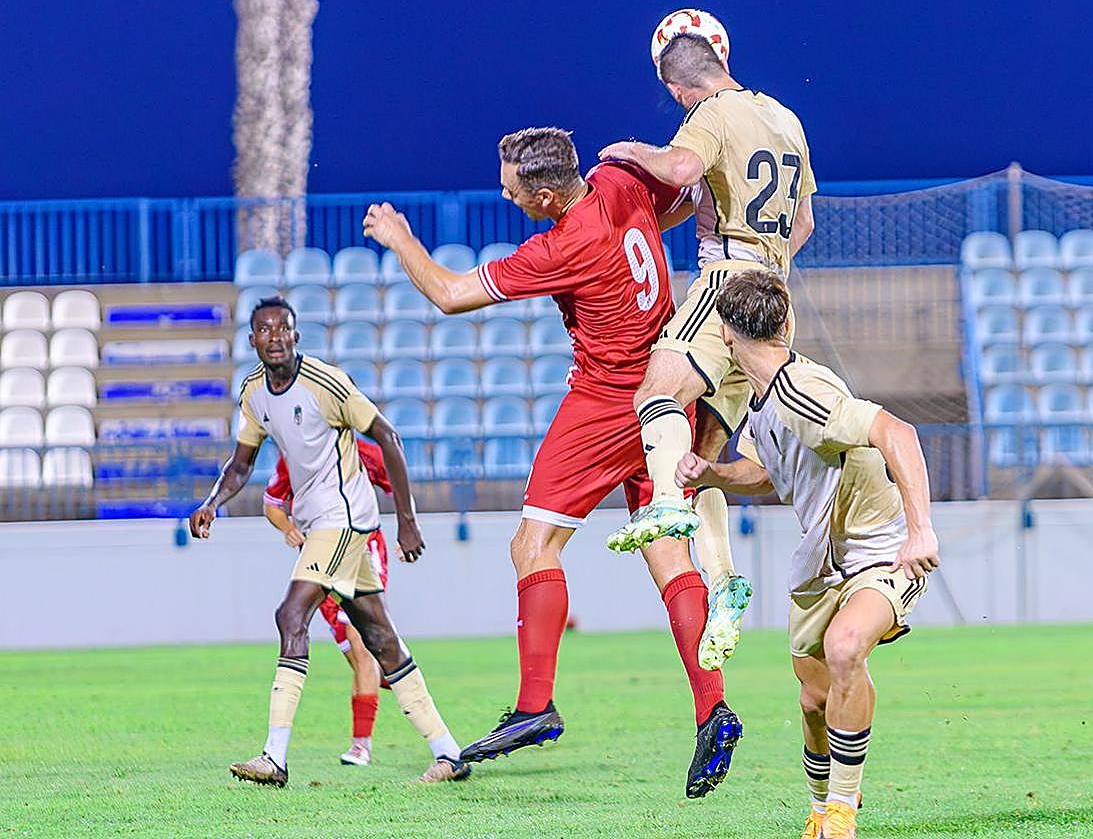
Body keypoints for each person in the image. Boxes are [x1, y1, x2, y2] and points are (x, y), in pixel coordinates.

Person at [362, 127, 741, 798]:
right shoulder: (620, 183)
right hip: (668, 394)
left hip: (608, 400)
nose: (505, 196)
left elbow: (449, 294)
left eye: (510, 189)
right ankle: (713, 709)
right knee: (669, 556)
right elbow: (680, 203)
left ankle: (536, 704)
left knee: (532, 545)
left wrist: (400, 239)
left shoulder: (564, 245)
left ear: (543, 195)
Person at [674, 270, 940, 839]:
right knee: (814, 699)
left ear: (725, 334)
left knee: (846, 648)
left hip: (880, 553)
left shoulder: (805, 392)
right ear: (786, 323)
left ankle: (841, 813)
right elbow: (765, 472)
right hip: (819, 565)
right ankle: (821, 810)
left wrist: (920, 530)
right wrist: (712, 472)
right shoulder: (764, 401)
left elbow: (899, 432)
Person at [599, 31, 819, 670]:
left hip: (727, 279)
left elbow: (680, 169)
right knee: (704, 450)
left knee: (657, 392)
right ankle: (724, 582)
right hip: (775, 295)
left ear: (676, 89)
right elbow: (804, 222)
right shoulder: (785, 116)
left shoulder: (713, 113)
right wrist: (765, 268)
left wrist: (632, 151)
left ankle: (666, 507)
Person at [189, 295, 470, 787]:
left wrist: (406, 521)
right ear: (252, 339)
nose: (275, 337)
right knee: (380, 638)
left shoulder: (326, 383)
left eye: (283, 328)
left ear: (296, 335)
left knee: (290, 614)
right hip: (320, 519)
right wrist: (212, 503)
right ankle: (448, 752)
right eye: (265, 330)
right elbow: (240, 464)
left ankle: (274, 757)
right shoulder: (254, 392)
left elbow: (388, 436)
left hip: (343, 517)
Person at [262, 438, 394, 767]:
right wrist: (288, 528)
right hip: (319, 560)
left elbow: (396, 481)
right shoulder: (295, 458)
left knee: (361, 648)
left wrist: (408, 524)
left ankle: (361, 745)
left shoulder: (365, 452)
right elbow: (272, 504)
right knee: (360, 658)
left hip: (362, 551)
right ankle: (389, 670)